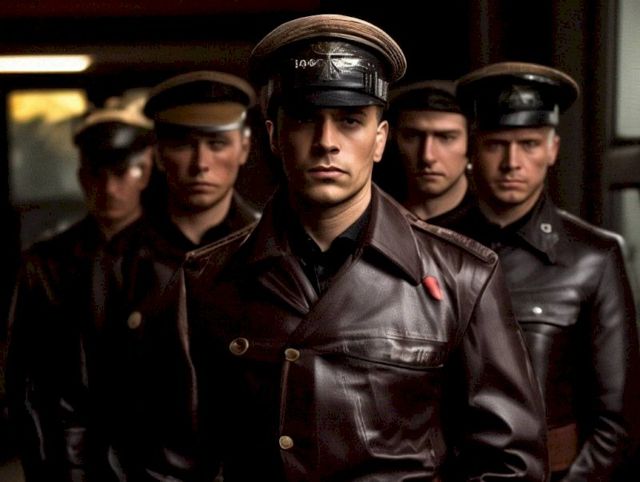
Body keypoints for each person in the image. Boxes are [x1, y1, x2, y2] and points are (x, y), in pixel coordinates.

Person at [174, 14, 548, 481]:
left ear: (379, 139)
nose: (326, 143)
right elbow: (170, 461)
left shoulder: (463, 276)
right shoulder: (206, 279)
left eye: (350, 120)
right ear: (273, 135)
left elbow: (512, 465)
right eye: (305, 118)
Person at [455, 61, 640, 481]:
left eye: (529, 144)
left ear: (553, 150)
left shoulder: (594, 256)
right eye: (496, 144)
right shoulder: (431, 245)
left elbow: (617, 423)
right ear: (472, 149)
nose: (512, 162)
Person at [6, 97, 154, 481]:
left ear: (144, 173)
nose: (109, 188)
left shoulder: (177, 259)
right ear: (82, 177)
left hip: (154, 459)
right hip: (67, 457)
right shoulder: (44, 263)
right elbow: (23, 382)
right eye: (96, 175)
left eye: (121, 174)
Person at [378, 80, 474, 227]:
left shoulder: (491, 223)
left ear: (470, 143)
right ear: (391, 138)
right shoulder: (373, 214)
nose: (427, 157)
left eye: (446, 137)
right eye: (412, 136)